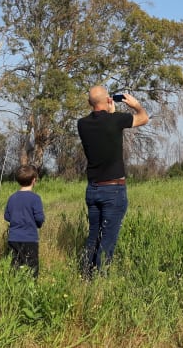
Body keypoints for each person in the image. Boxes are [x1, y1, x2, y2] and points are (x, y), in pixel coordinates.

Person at [77, 86, 149, 277]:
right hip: (113, 190)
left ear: (89, 103)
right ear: (109, 100)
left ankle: (85, 276)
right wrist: (137, 105)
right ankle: (100, 279)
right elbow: (143, 118)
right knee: (107, 239)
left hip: (92, 189)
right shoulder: (115, 120)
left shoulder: (82, 124)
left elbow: (103, 125)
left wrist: (110, 112)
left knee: (94, 236)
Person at [4, 165, 46, 277]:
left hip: (13, 238)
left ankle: (15, 288)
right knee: (32, 268)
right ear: (34, 180)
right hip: (30, 239)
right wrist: (38, 223)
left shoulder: (12, 198)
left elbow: (7, 216)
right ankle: (30, 289)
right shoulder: (35, 198)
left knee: (15, 266)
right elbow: (39, 219)